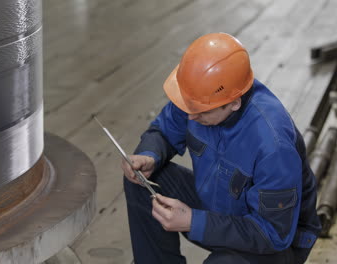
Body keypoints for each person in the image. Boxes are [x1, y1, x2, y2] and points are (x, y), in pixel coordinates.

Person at [121, 33, 321, 264]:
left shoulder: (273, 146)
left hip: (272, 242)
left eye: (201, 111)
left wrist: (193, 221)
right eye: (189, 106)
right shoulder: (200, 97)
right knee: (140, 182)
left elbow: (274, 234)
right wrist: (149, 155)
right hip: (219, 205)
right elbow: (165, 130)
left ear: (234, 102)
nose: (191, 116)